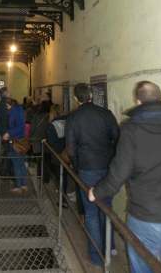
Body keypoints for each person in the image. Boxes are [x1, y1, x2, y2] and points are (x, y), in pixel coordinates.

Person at [89, 81, 161, 273]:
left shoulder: (131, 129)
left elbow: (119, 172)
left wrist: (97, 192)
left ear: (138, 101)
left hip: (144, 217)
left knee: (142, 268)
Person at [66, 83, 119, 268]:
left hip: (86, 169)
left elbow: (71, 148)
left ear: (76, 98)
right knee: (107, 208)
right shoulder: (106, 114)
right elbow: (116, 138)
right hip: (107, 168)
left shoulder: (73, 118)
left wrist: (75, 166)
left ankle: (97, 257)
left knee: (91, 213)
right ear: (91, 95)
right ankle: (110, 247)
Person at [3, 99, 28, 193]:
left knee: (16, 165)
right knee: (21, 164)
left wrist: (8, 133)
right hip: (21, 140)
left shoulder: (14, 111)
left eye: (6, 106)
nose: (6, 108)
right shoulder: (20, 110)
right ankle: (24, 185)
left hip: (15, 141)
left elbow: (18, 127)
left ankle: (18, 186)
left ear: (10, 105)